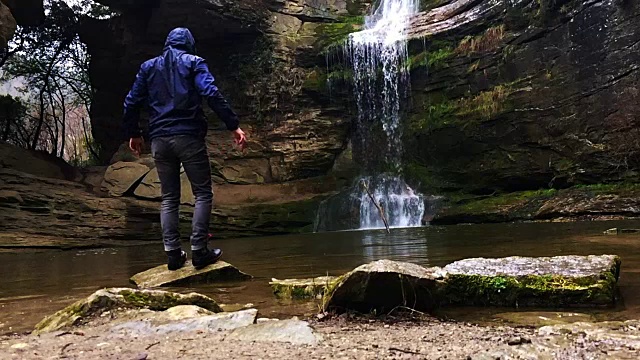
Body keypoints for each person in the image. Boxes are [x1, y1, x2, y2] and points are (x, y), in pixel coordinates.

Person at [122, 27, 246, 271]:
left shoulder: (148, 67)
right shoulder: (194, 62)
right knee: (202, 193)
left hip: (159, 139)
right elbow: (211, 93)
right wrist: (233, 125)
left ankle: (172, 254)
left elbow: (131, 102)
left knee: (169, 197)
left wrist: (134, 134)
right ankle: (199, 251)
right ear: (188, 44)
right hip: (188, 136)